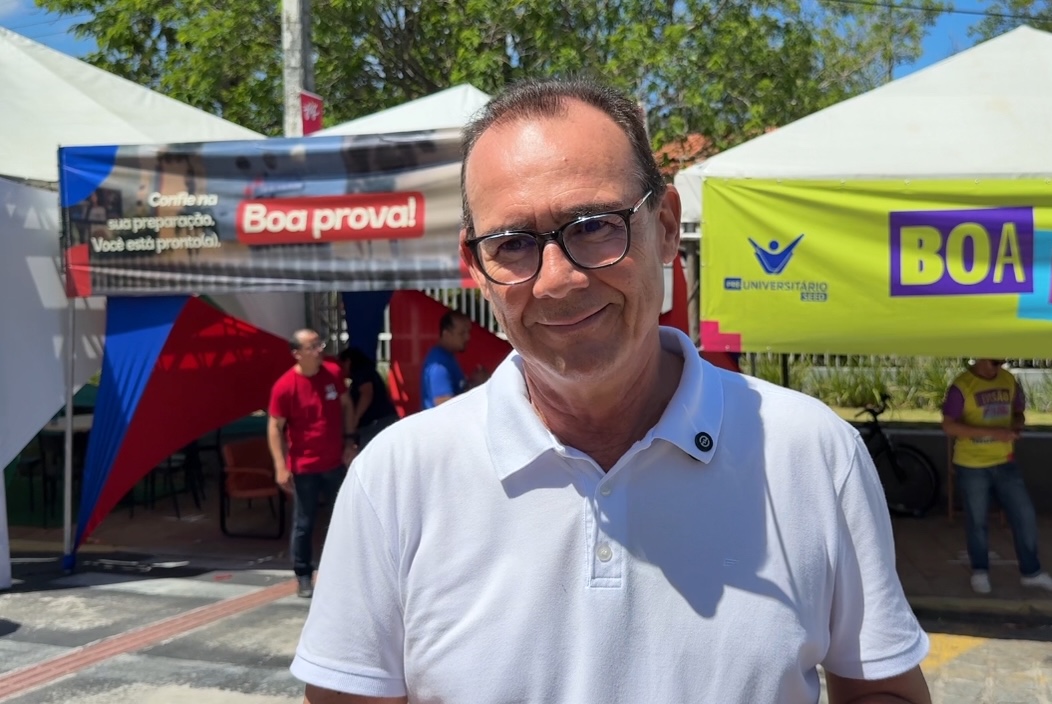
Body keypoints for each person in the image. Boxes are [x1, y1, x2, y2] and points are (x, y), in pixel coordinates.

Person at [291, 79, 931, 704]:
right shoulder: (395, 480)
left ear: (665, 227)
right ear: (475, 266)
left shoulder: (815, 455)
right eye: (513, 244)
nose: (559, 280)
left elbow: (879, 686)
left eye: (594, 225)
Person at [941, 359, 1052, 595]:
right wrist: (992, 432)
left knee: (1024, 515)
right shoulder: (962, 385)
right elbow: (949, 426)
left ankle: (1032, 572)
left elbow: (1018, 411)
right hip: (972, 464)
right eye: (993, 362)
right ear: (979, 357)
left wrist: (1016, 425)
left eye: (1000, 362)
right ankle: (980, 571)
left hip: (1005, 461)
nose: (996, 367)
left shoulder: (1008, 380)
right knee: (977, 521)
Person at [268, 329, 357, 598]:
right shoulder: (285, 386)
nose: (319, 350)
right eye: (312, 346)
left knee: (343, 518)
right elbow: (274, 427)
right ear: (297, 353)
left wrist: (350, 441)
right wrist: (280, 466)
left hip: (334, 461)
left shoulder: (332, 373)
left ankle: (345, 572)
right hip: (305, 466)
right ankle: (303, 574)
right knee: (304, 523)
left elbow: (347, 406)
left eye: (319, 344)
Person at [418, 310, 483, 409]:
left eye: (468, 332)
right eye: (462, 333)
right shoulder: (439, 366)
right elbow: (446, 407)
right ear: (446, 334)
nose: (468, 337)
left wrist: (474, 383)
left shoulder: (447, 357)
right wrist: (478, 387)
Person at [338, 347, 399, 448]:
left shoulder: (362, 372)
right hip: (379, 422)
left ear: (348, 362)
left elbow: (366, 394)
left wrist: (354, 420)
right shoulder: (367, 373)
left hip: (375, 424)